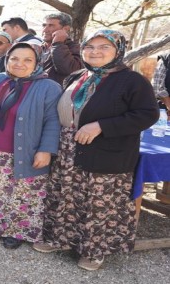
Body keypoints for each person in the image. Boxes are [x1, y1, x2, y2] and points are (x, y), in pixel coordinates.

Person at [34, 30, 159, 271]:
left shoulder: (132, 81)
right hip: (69, 148)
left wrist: (101, 126)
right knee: (66, 196)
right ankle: (61, 239)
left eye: (104, 47)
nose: (95, 52)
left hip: (106, 151)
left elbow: (147, 114)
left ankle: (94, 251)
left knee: (98, 203)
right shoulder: (78, 76)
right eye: (90, 47)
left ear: (118, 51)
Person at [0, 42, 62, 249]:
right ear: (7, 59)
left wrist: (46, 150)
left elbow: (53, 120)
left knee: (22, 194)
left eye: (27, 60)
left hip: (25, 151)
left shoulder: (48, 87)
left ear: (38, 62)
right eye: (14, 58)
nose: (19, 64)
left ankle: (16, 231)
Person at [40, 12, 82, 84]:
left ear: (65, 29)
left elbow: (69, 70)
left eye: (51, 26)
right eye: (44, 25)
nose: (45, 30)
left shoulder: (75, 48)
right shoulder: (39, 48)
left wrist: (58, 44)